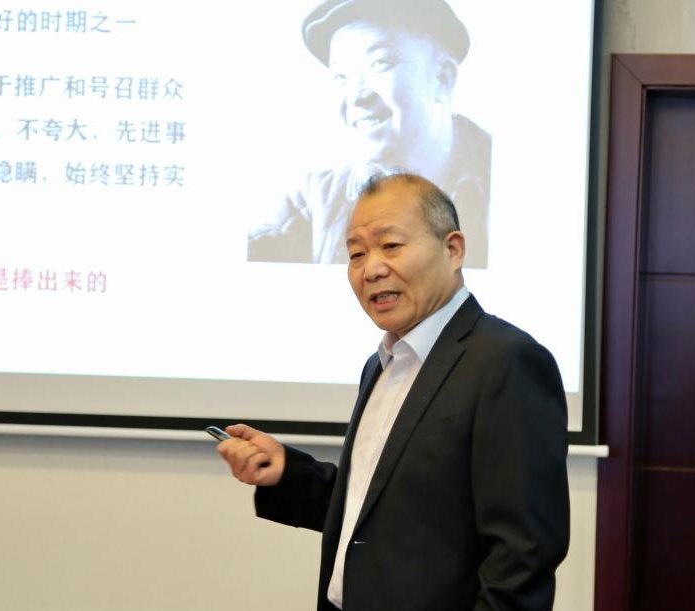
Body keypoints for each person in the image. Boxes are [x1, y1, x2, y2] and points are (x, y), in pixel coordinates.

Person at [220, 173, 568, 610]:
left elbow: (523, 557)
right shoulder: (381, 364)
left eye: (391, 245)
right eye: (356, 253)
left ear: (453, 249)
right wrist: (288, 472)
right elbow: (381, 511)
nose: (372, 269)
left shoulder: (507, 362)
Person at [246, 0, 491, 268]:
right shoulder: (313, 201)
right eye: (342, 77)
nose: (357, 98)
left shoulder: (498, 184)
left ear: (442, 78)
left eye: (379, 63)